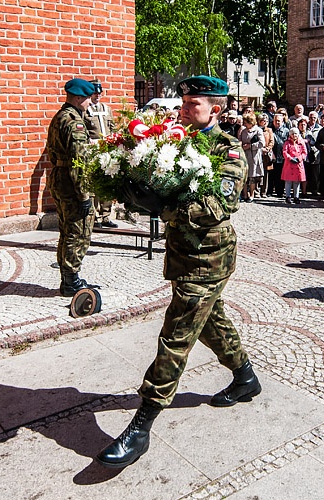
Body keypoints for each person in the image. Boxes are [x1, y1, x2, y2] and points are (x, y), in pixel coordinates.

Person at [97, 76, 260, 469]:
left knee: (176, 335)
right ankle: (245, 377)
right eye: (183, 102)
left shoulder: (229, 148)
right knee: (210, 321)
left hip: (210, 256)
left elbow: (219, 203)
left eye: (194, 104)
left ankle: (142, 424)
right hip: (183, 252)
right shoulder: (175, 139)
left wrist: (162, 207)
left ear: (215, 110)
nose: (184, 109)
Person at [47, 78, 96, 296]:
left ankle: (69, 277)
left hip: (59, 177)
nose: (90, 104)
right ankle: (71, 280)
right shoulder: (74, 122)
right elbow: (79, 161)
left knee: (66, 231)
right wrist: (84, 195)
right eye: (87, 99)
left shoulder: (60, 116)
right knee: (78, 232)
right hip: (72, 183)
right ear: (78, 98)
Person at [84, 79, 119, 229]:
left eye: (99, 92)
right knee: (94, 184)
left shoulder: (107, 108)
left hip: (107, 149)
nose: (97, 95)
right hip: (93, 150)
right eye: (94, 93)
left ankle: (105, 216)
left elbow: (112, 127)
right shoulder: (85, 111)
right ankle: (95, 217)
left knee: (107, 183)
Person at [238, 112, 264, 202]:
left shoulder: (258, 131)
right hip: (244, 155)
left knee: (252, 176)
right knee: (245, 176)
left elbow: (262, 143)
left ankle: (252, 194)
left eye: (246, 122)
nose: (245, 124)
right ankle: (245, 194)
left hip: (254, 156)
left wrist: (250, 146)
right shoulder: (243, 131)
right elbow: (240, 140)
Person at [282, 127, 308, 204]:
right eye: (292, 134)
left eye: (296, 133)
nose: (294, 135)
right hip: (289, 164)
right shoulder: (287, 143)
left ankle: (296, 197)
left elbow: (304, 152)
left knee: (297, 182)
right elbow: (284, 152)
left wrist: (299, 158)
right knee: (288, 181)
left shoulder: (301, 142)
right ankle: (288, 196)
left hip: (298, 164)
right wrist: (290, 158)